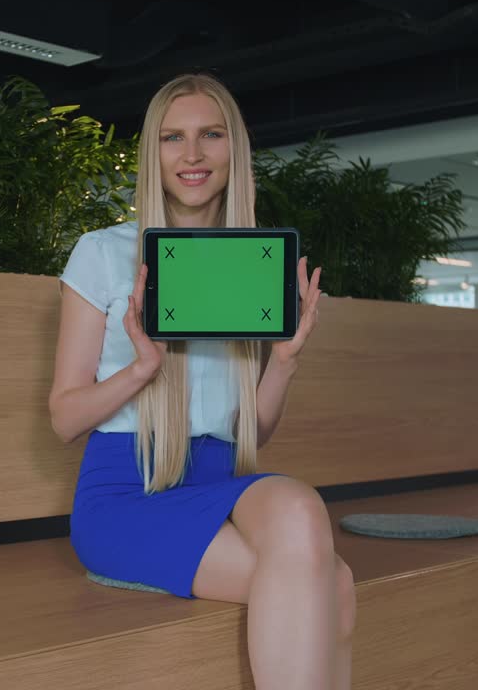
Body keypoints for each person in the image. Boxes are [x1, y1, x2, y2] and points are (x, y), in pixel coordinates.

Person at [49, 73, 355, 690]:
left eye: (210, 135)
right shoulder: (103, 253)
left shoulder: (252, 260)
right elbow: (63, 417)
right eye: (173, 138)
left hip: (222, 481)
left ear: (232, 149)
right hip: (126, 495)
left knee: (304, 512)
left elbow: (255, 433)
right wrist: (143, 367)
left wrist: (287, 359)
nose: (192, 155)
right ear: (152, 154)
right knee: (334, 585)